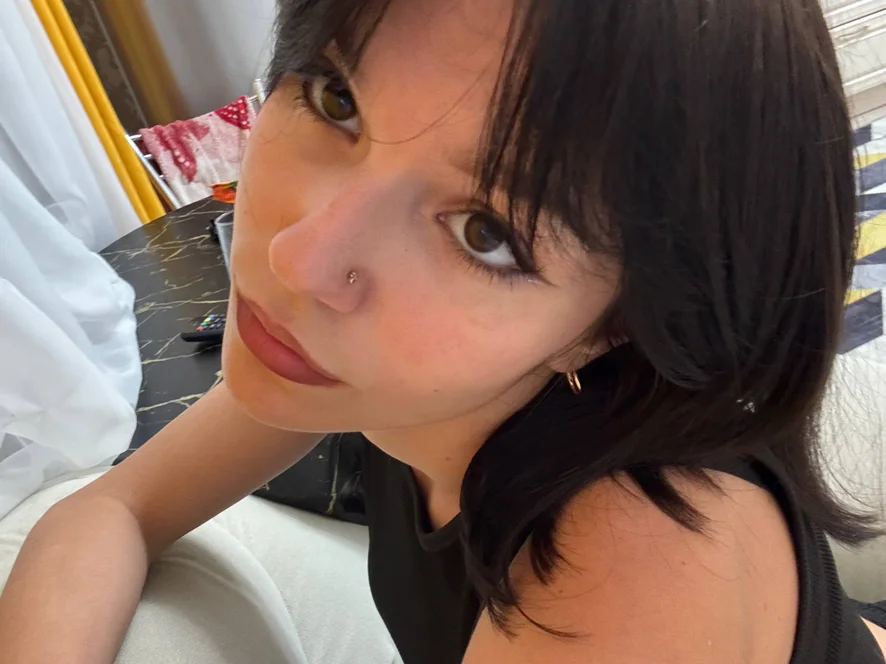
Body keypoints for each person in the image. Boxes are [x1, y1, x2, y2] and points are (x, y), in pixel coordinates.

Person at [1, 0, 885, 662]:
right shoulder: (397, 372)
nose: (300, 259)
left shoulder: (638, 568)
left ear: (614, 327)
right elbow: (113, 511)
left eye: (484, 233)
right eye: (336, 99)